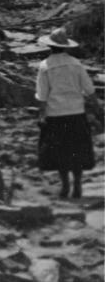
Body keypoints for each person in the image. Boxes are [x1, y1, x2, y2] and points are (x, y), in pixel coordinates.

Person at [36, 28, 97, 199]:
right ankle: (77, 184)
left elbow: (42, 95)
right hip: (76, 112)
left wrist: (41, 114)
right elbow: (89, 89)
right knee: (76, 150)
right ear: (65, 47)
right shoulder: (76, 64)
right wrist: (98, 108)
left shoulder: (44, 66)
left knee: (60, 152)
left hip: (55, 114)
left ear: (50, 47)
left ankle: (65, 186)